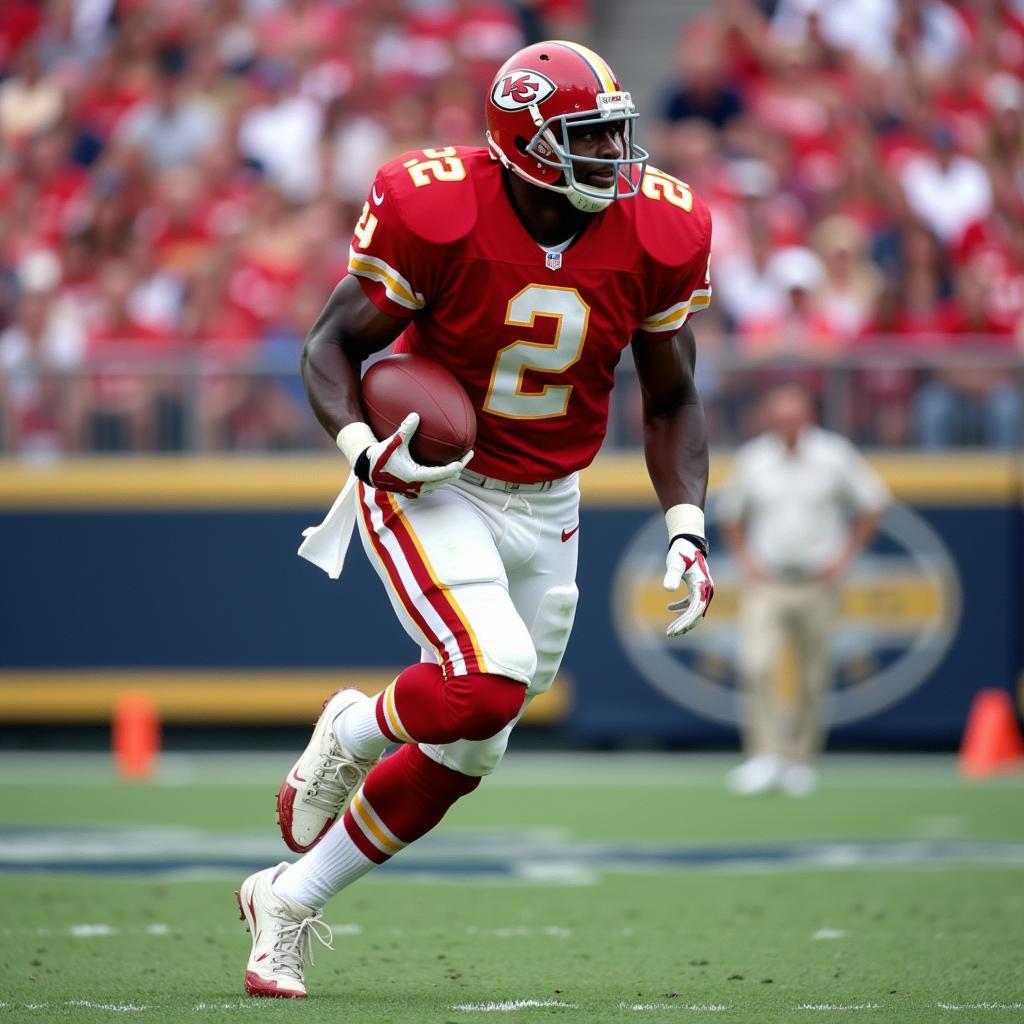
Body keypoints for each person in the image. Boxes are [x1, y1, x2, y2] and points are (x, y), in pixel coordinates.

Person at [235, 40, 716, 999]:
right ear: (525, 146)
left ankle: (289, 897)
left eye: (618, 134)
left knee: (471, 745)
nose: (616, 159)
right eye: (588, 138)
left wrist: (687, 527)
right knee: (488, 682)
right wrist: (360, 452)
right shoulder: (435, 205)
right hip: (435, 481)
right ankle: (355, 728)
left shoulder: (660, 227)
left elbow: (672, 398)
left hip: (554, 500)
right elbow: (332, 344)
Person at [718, 384, 889, 798]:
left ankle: (799, 758)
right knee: (758, 664)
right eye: (780, 418)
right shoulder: (754, 458)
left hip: (817, 580)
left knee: (813, 673)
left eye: (793, 417)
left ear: (808, 417)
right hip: (769, 581)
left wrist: (845, 556)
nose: (787, 426)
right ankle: (764, 755)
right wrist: (745, 558)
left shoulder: (835, 455)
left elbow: (873, 502)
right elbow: (730, 513)